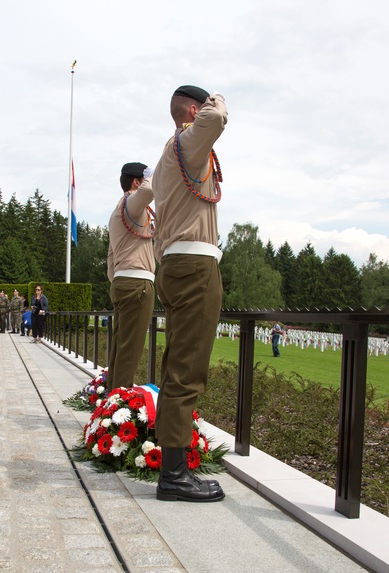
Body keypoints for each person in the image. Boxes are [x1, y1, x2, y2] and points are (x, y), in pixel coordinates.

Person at [151, 84, 227, 503]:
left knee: (176, 366)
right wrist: (218, 96)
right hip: (194, 266)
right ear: (193, 111)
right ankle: (175, 477)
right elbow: (215, 119)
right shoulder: (188, 139)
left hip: (176, 265)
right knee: (186, 371)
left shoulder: (172, 152)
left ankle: (173, 468)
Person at [107, 161, 156, 390]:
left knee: (120, 348)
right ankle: (118, 408)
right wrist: (156, 173)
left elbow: (110, 258)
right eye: (143, 178)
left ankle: (110, 401)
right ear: (136, 182)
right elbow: (148, 191)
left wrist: (118, 281)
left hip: (123, 281)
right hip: (137, 283)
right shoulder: (132, 202)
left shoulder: (119, 210)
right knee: (130, 350)